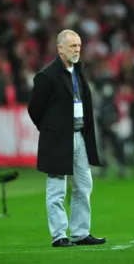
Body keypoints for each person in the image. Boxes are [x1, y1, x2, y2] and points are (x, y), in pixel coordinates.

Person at [27, 29, 107, 247]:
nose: (77, 50)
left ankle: (81, 233)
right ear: (59, 48)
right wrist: (50, 129)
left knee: (84, 185)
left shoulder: (78, 71)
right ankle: (59, 235)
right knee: (57, 188)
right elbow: (34, 109)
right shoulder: (46, 76)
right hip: (58, 139)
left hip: (79, 136)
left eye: (79, 46)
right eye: (72, 46)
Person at [97, 82, 126, 178]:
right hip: (107, 131)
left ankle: (119, 169)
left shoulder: (110, 105)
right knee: (105, 150)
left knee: (113, 149)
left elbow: (116, 116)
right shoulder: (107, 105)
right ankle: (108, 169)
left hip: (110, 130)